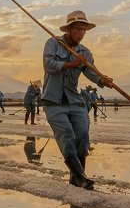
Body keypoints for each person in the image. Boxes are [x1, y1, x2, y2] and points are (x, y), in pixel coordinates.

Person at [42, 10, 113, 189]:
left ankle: (76, 177)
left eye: (84, 30)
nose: (81, 33)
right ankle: (81, 177)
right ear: (69, 29)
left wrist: (102, 79)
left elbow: (90, 71)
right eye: (78, 29)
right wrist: (71, 63)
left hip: (74, 100)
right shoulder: (53, 43)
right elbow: (49, 65)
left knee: (82, 134)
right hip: (53, 101)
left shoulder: (85, 53)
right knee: (66, 134)